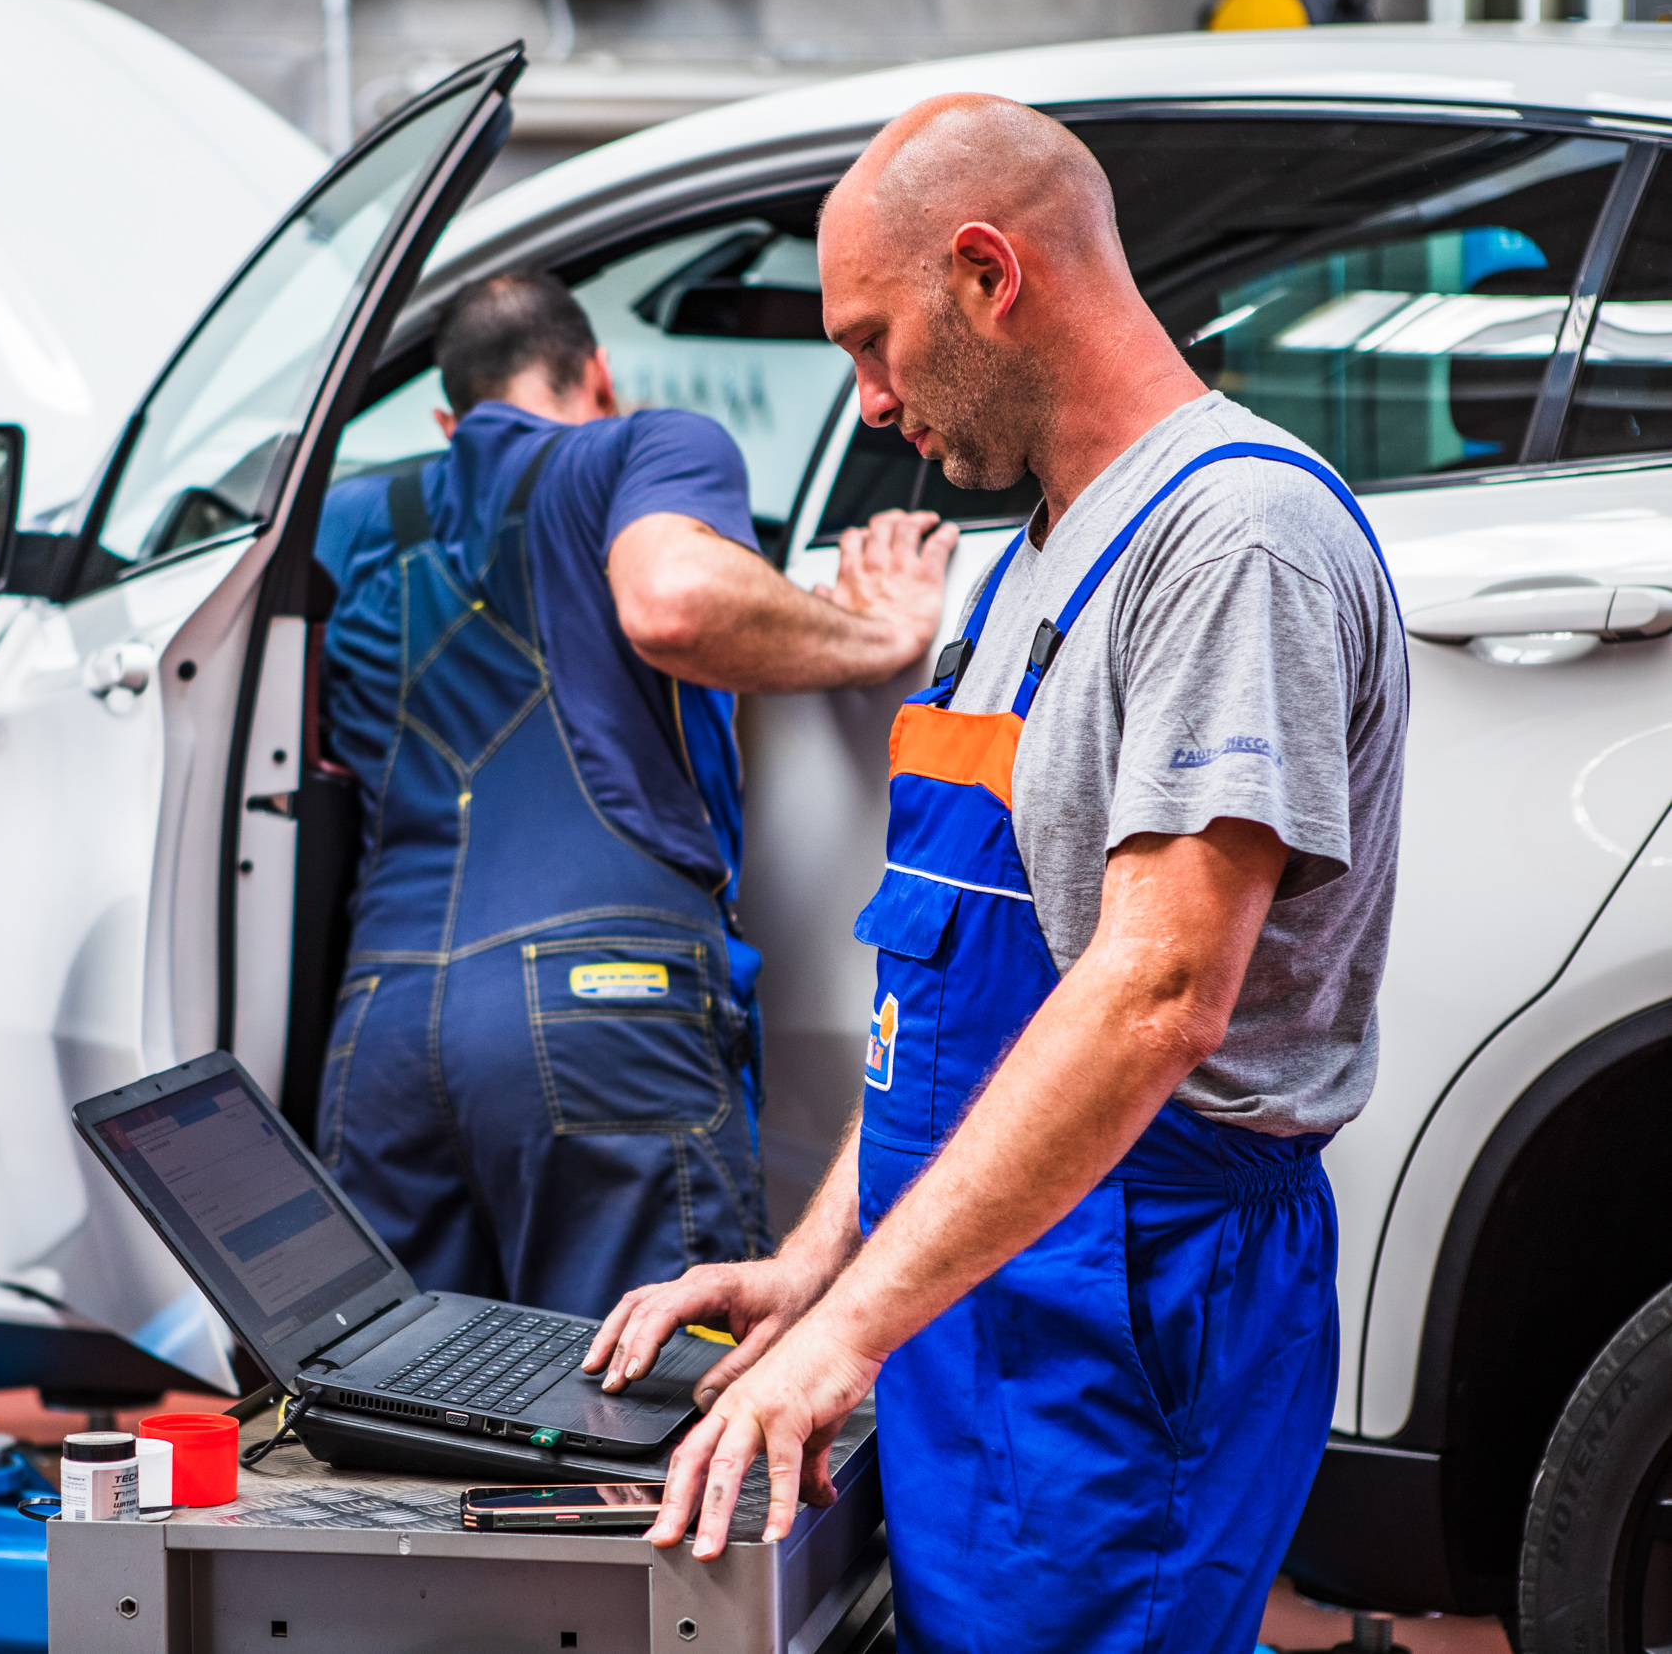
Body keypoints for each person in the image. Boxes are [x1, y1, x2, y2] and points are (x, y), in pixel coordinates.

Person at [586, 95, 1408, 1652]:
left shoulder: (1233, 540)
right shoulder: (1033, 554)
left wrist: (854, 1327)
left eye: (874, 340)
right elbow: (945, 998)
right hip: (988, 1285)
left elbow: (1156, 991)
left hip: (1123, 1294)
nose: (873, 400)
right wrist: (815, 1262)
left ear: (987, 271)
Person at [312, 271, 956, 1321]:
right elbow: (675, 598)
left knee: (401, 1393)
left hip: (380, 1028)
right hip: (599, 1001)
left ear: (450, 415)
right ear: (598, 376)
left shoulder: (348, 519)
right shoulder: (646, 448)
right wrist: (876, 635)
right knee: (637, 1405)